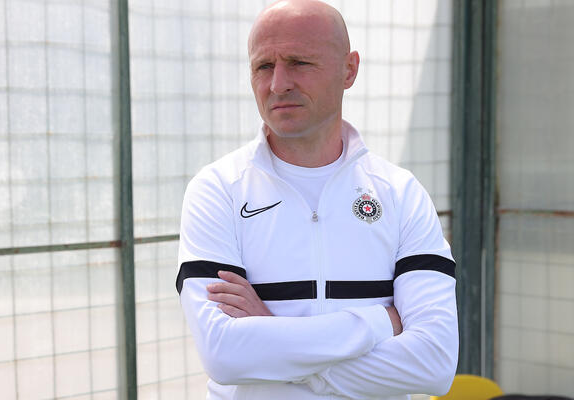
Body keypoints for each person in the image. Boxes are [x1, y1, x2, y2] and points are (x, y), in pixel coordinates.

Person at [175, 0, 458, 399]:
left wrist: (272, 340)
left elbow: (433, 364)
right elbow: (224, 356)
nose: (278, 84)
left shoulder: (401, 193)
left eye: (299, 62)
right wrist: (378, 322)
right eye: (263, 66)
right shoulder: (217, 189)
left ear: (349, 69)